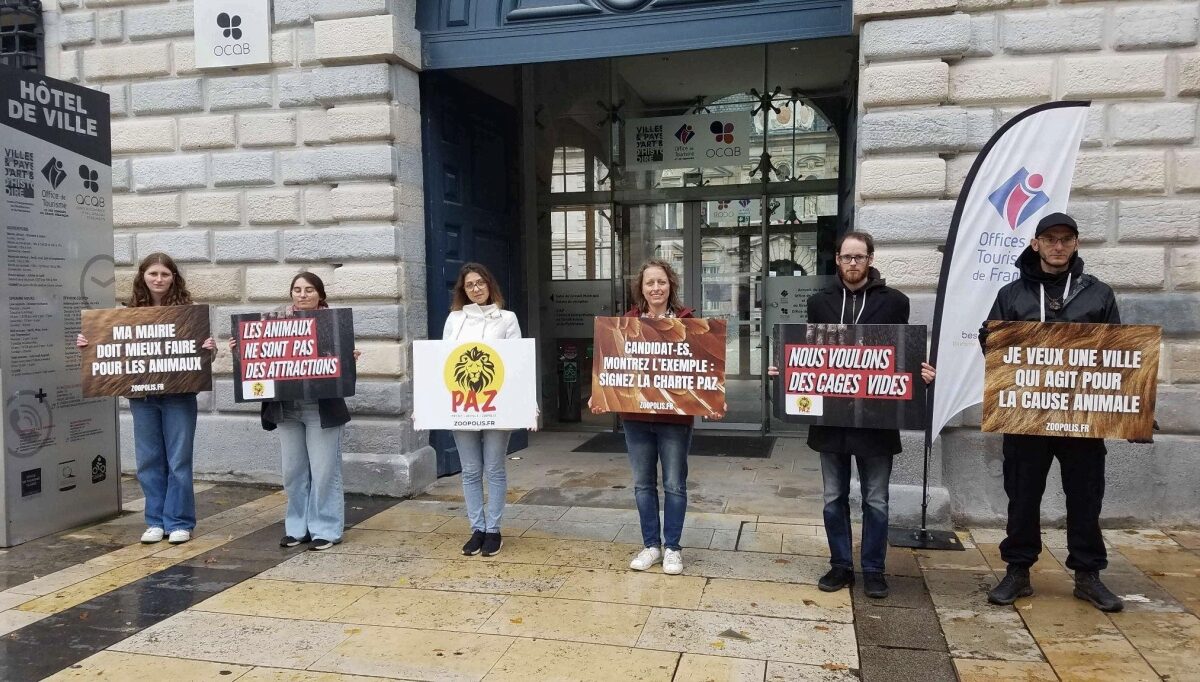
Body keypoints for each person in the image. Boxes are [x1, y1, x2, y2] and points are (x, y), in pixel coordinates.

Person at [769, 231, 934, 599]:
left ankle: (874, 569)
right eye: (847, 257)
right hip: (831, 421)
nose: (853, 263)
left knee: (877, 499)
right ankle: (840, 564)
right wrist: (785, 371)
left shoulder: (896, 302)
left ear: (871, 259)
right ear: (838, 260)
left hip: (877, 421)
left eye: (860, 257)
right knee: (833, 497)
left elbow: (902, 353)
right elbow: (808, 351)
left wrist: (920, 373)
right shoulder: (819, 302)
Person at [979, 212, 1126, 613]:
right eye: (1050, 239)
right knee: (1022, 496)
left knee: (1085, 495)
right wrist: (992, 338)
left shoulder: (1098, 294)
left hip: (1083, 417)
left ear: (1075, 244)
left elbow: (1121, 355)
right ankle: (1018, 570)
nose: (1058, 246)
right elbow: (992, 346)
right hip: (1026, 419)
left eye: (1065, 239)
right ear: (1036, 244)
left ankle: (1088, 574)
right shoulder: (1012, 294)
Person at [76, 252, 215, 545]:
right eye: (153, 274)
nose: (159, 279)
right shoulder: (126, 314)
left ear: (174, 278)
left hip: (179, 395)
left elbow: (202, 357)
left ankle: (179, 521)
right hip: (142, 397)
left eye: (165, 274)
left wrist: (209, 349)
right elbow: (109, 351)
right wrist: (88, 346)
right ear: (143, 277)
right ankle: (155, 520)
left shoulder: (188, 313)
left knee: (178, 460)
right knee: (149, 460)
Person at [231, 272, 359, 551]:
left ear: (320, 295)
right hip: (287, 409)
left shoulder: (334, 326)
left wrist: (350, 361)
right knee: (293, 472)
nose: (302, 295)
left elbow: (343, 376)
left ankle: (326, 528)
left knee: (325, 470)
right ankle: (297, 527)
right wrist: (241, 350)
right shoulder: (273, 324)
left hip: (321, 410)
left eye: (309, 290)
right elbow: (259, 365)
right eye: (297, 289)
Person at [590, 259, 701, 576]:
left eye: (661, 282)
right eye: (650, 283)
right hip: (636, 418)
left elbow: (700, 369)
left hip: (674, 421)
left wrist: (712, 396)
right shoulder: (624, 324)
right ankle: (651, 545)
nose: (656, 288)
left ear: (671, 286)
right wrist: (600, 393)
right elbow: (611, 367)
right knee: (642, 484)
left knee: (674, 485)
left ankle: (673, 549)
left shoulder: (688, 322)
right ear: (641, 288)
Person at [443, 263, 524, 558]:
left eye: (480, 283)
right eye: (469, 285)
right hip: (462, 405)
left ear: (489, 285)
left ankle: (494, 529)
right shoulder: (454, 319)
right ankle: (476, 528)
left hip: (496, 404)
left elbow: (518, 363)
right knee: (470, 470)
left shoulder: (507, 318)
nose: (476, 289)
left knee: (494, 467)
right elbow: (443, 361)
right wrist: (429, 405)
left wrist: (529, 406)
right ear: (463, 291)